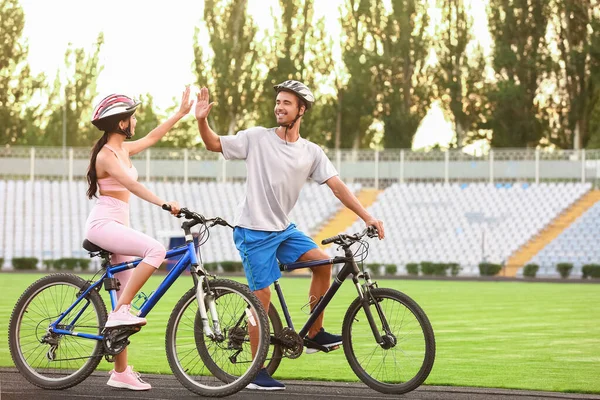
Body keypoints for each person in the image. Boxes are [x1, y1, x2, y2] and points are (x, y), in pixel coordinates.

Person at [194, 80, 385, 391]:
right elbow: (214, 144)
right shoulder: (256, 138)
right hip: (253, 231)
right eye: (278, 102)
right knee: (262, 297)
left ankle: (313, 335)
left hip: (284, 230)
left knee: (323, 263)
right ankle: (254, 373)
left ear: (301, 110)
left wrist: (368, 216)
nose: (279, 107)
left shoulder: (311, 151)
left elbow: (337, 187)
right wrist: (202, 119)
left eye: (286, 103)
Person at [85, 88, 193, 391]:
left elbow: (154, 138)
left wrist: (179, 114)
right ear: (122, 123)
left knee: (124, 300)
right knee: (155, 249)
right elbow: (132, 184)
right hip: (103, 223)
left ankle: (120, 372)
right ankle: (121, 311)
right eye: (132, 117)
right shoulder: (107, 155)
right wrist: (164, 204)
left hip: (117, 223)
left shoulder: (122, 150)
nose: (136, 122)